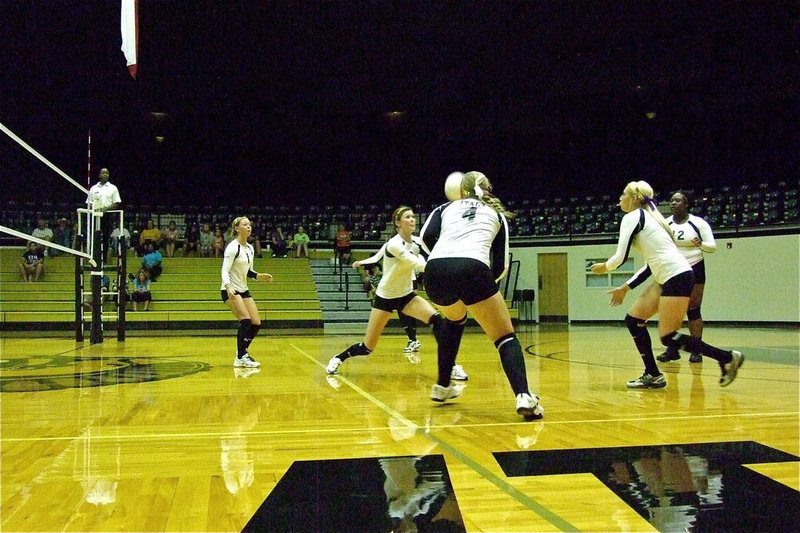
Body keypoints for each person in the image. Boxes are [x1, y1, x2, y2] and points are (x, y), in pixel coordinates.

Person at [589, 180, 743, 389]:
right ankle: (652, 373)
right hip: (671, 276)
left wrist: (604, 267)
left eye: (623, 194)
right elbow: (650, 266)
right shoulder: (653, 219)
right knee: (634, 320)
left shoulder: (633, 217)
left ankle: (726, 357)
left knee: (668, 336)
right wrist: (625, 288)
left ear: (634, 198)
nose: (620, 199)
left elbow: (620, 257)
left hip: (676, 277)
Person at [419, 171, 543, 420]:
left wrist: (446, 259)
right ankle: (524, 396)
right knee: (505, 337)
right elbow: (500, 266)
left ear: (462, 191)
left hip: (434, 271)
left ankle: (442, 387)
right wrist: (483, 287)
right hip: (473, 268)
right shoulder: (496, 214)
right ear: (488, 190)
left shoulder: (444, 208)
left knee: (454, 321)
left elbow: (424, 238)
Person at [326, 206, 468, 382]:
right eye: (407, 217)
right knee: (367, 347)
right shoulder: (393, 244)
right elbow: (415, 263)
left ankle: (451, 366)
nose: (412, 220)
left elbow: (428, 256)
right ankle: (339, 358)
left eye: (412, 217)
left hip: (406, 296)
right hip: (385, 297)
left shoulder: (417, 242)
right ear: (397, 223)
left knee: (437, 321)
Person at [657, 190, 717, 364]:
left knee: (693, 309)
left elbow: (712, 247)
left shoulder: (698, 223)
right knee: (672, 312)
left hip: (695, 267)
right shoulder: (666, 224)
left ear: (686, 204)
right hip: (673, 270)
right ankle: (672, 350)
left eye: (677, 200)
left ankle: (696, 349)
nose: (673, 203)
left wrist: (701, 244)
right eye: (671, 200)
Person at [221, 216, 273, 368]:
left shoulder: (249, 248)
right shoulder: (232, 247)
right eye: (245, 225)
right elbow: (225, 270)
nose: (249, 227)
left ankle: (243, 352)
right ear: (237, 228)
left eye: (249, 225)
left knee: (256, 323)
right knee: (245, 321)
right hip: (230, 290)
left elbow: (248, 271)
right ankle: (240, 356)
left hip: (244, 290)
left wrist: (258, 276)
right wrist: (229, 286)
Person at [86, 167, 121, 260]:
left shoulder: (113, 188)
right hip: (95, 214)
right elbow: (88, 203)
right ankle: (93, 257)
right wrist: (94, 209)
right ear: (99, 175)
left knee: (105, 236)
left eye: (107, 173)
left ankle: (104, 258)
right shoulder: (93, 188)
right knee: (94, 235)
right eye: (103, 173)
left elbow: (116, 203)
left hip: (107, 215)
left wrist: (105, 209)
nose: (105, 175)